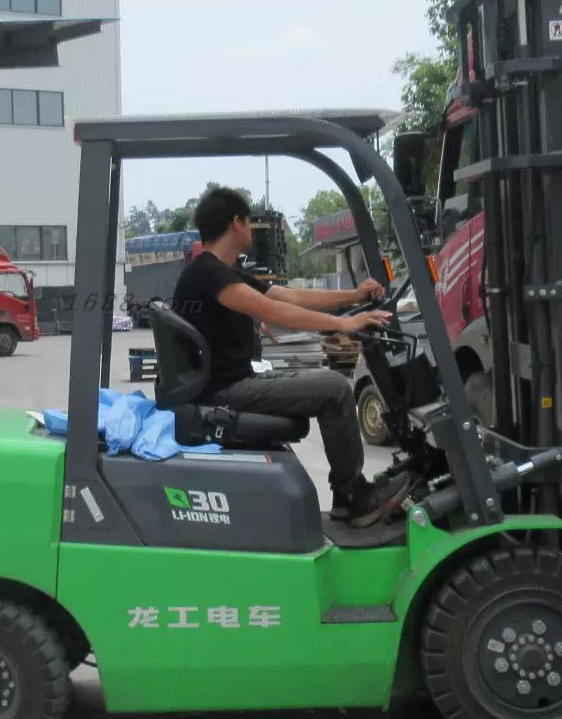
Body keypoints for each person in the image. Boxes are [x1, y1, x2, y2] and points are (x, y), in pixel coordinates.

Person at [170, 187, 413, 526]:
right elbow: (274, 310)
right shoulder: (209, 274)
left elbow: (288, 296)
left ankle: (349, 495)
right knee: (335, 389)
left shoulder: (220, 272)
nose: (251, 230)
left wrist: (354, 296)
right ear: (237, 223)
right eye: (249, 222)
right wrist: (345, 323)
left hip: (229, 382)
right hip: (225, 392)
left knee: (329, 386)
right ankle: (353, 496)